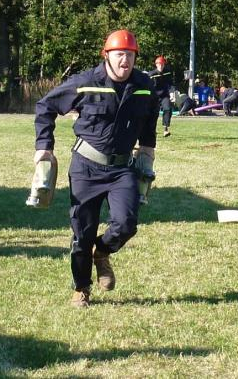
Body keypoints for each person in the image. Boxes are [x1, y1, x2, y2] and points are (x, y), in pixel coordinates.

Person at [33, 29, 159, 307]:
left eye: (130, 55)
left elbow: (150, 117)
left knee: (126, 224)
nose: (125, 60)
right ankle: (81, 288)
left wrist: (148, 150)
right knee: (82, 234)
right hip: (86, 169)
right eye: (119, 54)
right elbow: (46, 106)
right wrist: (44, 146)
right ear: (107, 56)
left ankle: (101, 252)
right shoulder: (86, 82)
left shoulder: (144, 85)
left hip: (122, 169)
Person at [149, 56, 174, 137]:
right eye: (159, 64)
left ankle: (166, 129)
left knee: (168, 109)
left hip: (164, 96)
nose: (161, 66)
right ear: (156, 65)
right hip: (154, 96)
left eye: (162, 64)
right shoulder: (151, 74)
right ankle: (152, 130)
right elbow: (147, 85)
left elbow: (171, 84)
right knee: (153, 113)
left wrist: (172, 92)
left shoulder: (167, 73)